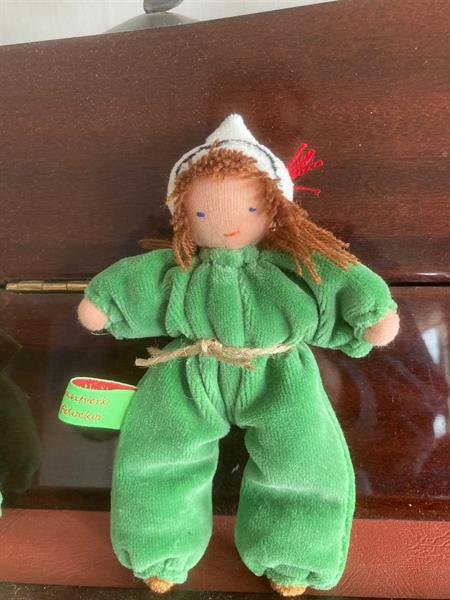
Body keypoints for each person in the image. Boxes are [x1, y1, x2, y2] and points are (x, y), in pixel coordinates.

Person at [78, 114, 399, 596]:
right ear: (182, 213)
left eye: (250, 208)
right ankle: (159, 549)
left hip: (278, 371)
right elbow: (141, 284)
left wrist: (366, 313)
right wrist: (108, 303)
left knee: (302, 455)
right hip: (189, 368)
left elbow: (337, 278)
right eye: (202, 213)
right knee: (158, 448)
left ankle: (293, 556)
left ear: (275, 209)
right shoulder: (178, 266)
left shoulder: (295, 264)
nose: (227, 226)